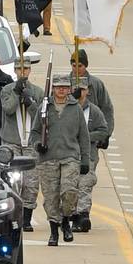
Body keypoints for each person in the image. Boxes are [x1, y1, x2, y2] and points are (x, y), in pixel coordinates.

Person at [30, 72, 90, 246]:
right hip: (48, 158)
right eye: (58, 87)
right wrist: (37, 145)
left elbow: (84, 136)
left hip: (70, 157)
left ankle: (66, 219)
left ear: (69, 89)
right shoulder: (44, 107)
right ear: (53, 89)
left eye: (65, 87)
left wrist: (85, 159)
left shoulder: (75, 108)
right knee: (51, 197)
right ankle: (54, 231)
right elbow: (34, 132)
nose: (61, 90)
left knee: (69, 191)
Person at [0, 57, 43, 232]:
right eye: (19, 69)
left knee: (31, 183)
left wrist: (30, 102)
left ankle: (27, 218)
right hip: (12, 142)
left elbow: (41, 116)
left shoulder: (38, 92)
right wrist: (17, 94)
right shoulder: (7, 90)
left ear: (30, 71)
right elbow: (8, 109)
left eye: (25, 69)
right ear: (15, 70)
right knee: (12, 181)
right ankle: (12, 216)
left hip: (31, 143)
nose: (22, 72)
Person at [72, 75, 108, 233]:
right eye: (76, 89)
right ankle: (69, 215)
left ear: (88, 91)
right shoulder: (65, 108)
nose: (80, 92)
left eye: (83, 89)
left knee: (85, 184)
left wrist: (87, 137)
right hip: (68, 154)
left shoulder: (94, 111)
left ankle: (83, 215)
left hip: (88, 155)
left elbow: (103, 131)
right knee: (69, 187)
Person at [69, 48, 115, 141]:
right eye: (74, 66)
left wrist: (106, 135)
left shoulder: (96, 84)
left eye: (80, 66)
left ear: (85, 66)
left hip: (90, 138)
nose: (76, 69)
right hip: (68, 138)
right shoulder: (63, 83)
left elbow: (107, 109)